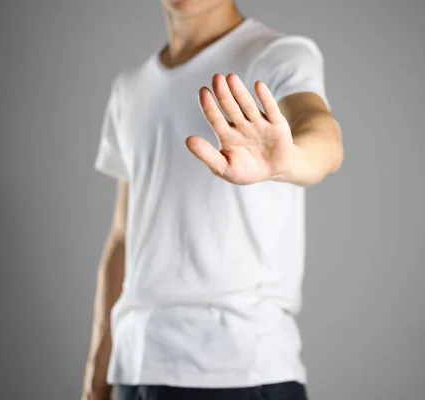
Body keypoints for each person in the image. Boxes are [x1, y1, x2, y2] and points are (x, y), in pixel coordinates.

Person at [81, 0, 344, 399]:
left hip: (240, 372)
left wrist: (293, 157)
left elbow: (320, 130)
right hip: (135, 369)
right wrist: (96, 378)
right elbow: (123, 237)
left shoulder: (278, 54)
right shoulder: (129, 89)